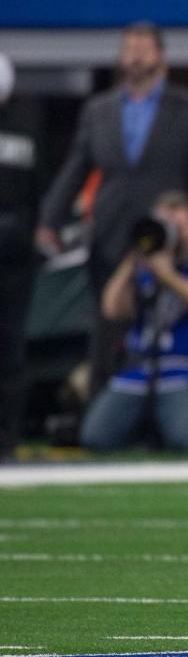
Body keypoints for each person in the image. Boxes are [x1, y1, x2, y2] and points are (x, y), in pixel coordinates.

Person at [36, 22, 188, 393]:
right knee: (106, 319)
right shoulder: (98, 110)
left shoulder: (186, 108)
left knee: (165, 314)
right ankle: (102, 404)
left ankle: (165, 405)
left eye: (143, 48)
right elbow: (77, 166)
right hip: (110, 229)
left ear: (160, 57)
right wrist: (49, 218)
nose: (135, 56)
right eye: (129, 48)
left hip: (167, 232)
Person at [80, 191, 188, 452]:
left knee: (186, 442)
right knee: (95, 437)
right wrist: (135, 255)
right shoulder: (142, 266)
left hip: (182, 368)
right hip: (138, 369)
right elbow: (111, 308)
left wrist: (165, 273)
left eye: (179, 224)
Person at [0, 53, 42, 462]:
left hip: (13, 257)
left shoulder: (26, 127)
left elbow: (36, 191)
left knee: (11, 348)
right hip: (17, 249)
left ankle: (7, 437)